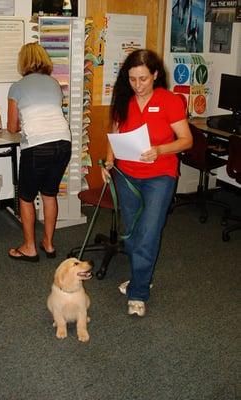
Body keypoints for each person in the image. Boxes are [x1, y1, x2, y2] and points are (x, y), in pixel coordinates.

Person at [101, 49, 193, 316]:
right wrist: (108, 162)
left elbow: (187, 140)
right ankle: (141, 274)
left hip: (160, 176)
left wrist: (160, 149)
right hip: (126, 174)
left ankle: (139, 291)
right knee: (131, 234)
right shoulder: (124, 99)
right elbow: (115, 134)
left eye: (143, 79)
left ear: (154, 75)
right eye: (132, 79)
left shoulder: (170, 101)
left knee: (149, 232)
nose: (138, 86)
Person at [7, 42, 71, 262]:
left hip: (37, 147)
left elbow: (12, 127)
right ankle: (49, 244)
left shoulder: (17, 86)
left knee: (25, 197)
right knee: (49, 193)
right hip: (63, 143)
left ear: (22, 62)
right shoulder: (54, 83)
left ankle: (29, 247)